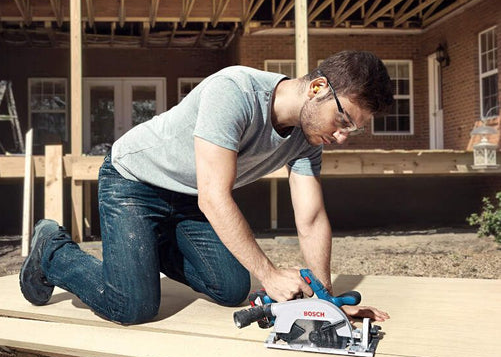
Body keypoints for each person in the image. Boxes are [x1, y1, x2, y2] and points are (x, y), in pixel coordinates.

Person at [20, 50, 393, 326]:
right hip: (133, 181)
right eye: (343, 120)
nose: (343, 136)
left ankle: (151, 247)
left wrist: (325, 304)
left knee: (232, 288)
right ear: (316, 88)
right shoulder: (235, 91)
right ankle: (52, 249)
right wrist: (270, 274)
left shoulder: (308, 138)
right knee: (132, 306)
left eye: (354, 129)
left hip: (186, 197)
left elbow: (310, 219)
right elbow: (214, 198)